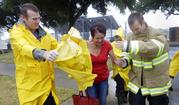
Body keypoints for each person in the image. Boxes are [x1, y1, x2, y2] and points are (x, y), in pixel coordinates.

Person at [9, 3, 60, 105]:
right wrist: (43, 54)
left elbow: (57, 46)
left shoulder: (44, 33)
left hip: (47, 86)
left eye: (38, 18)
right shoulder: (16, 33)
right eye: (34, 19)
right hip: (30, 89)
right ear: (23, 18)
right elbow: (23, 47)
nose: (38, 22)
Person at [116, 12, 171, 105]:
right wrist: (124, 61)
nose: (135, 32)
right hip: (137, 82)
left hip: (156, 83)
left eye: (137, 28)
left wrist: (130, 45)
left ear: (143, 22)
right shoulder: (130, 36)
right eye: (132, 30)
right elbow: (128, 53)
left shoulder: (157, 33)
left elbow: (153, 49)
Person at [85, 23, 125, 105]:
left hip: (103, 79)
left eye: (102, 38)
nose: (100, 40)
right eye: (97, 38)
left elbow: (115, 60)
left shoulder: (107, 45)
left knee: (102, 101)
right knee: (93, 101)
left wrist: (122, 62)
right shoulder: (85, 46)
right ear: (92, 37)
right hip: (89, 79)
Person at [111, 33, 130, 105]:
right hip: (117, 71)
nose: (117, 39)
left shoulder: (126, 45)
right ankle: (120, 100)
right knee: (120, 85)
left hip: (126, 70)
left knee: (126, 85)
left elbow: (129, 55)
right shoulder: (112, 45)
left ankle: (124, 96)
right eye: (116, 37)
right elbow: (111, 54)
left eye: (119, 37)